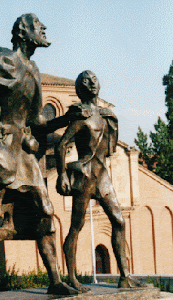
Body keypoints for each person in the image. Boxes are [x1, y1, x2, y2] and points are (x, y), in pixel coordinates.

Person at [0, 13, 77, 300]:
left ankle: (55, 280)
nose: (44, 29)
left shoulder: (33, 69)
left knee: (45, 211)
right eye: (38, 26)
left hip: (24, 153)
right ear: (23, 32)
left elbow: (37, 120)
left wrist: (65, 119)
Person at [55, 70, 145, 292]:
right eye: (86, 81)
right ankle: (72, 278)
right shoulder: (81, 115)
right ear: (80, 88)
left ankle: (124, 277)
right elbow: (61, 144)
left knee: (119, 222)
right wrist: (63, 174)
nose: (92, 83)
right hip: (85, 174)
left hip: (102, 175)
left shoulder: (106, 115)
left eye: (94, 79)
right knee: (76, 226)